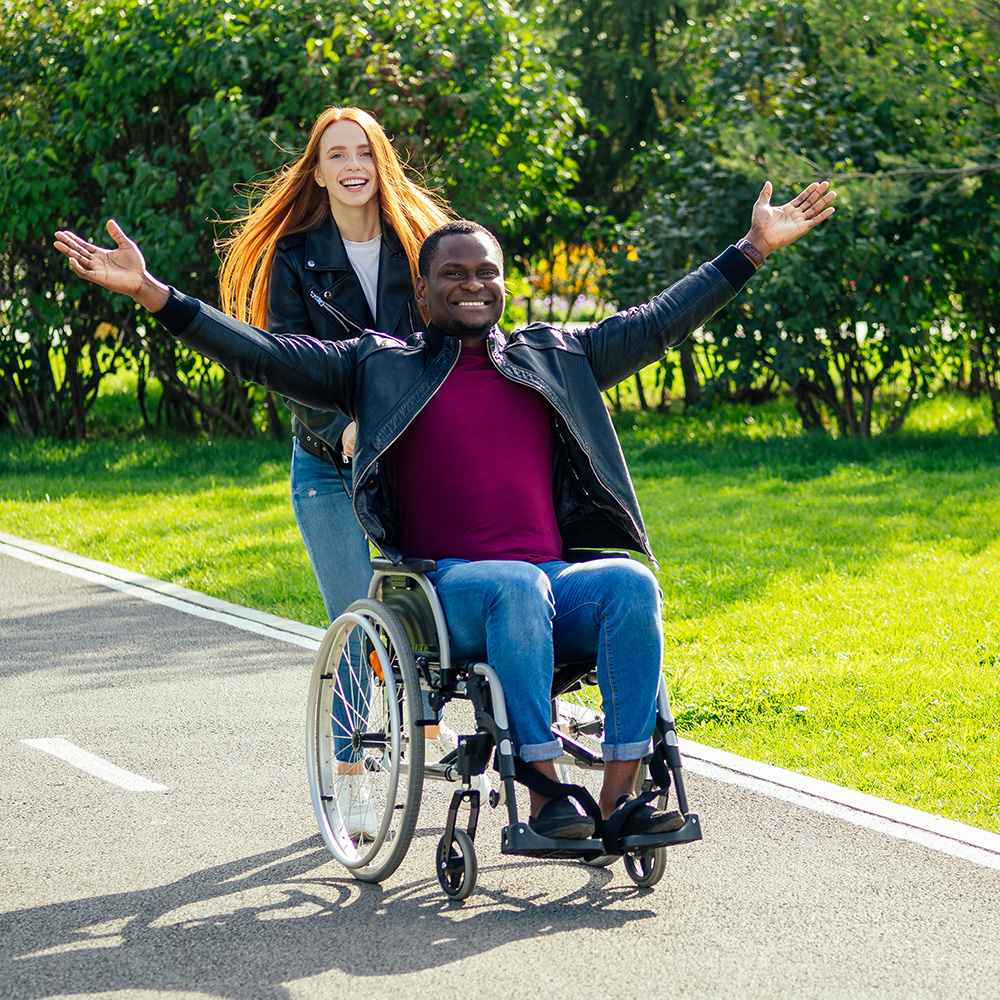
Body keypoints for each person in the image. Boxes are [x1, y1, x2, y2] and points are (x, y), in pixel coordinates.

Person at [55, 177, 835, 843]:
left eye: (487, 273)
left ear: (503, 283)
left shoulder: (556, 354)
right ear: (421, 293)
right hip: (446, 596)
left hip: (551, 587)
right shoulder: (375, 366)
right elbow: (261, 353)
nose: (473, 285)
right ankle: (538, 782)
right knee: (513, 585)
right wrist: (154, 294)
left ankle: (619, 796)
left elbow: (660, 320)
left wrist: (754, 249)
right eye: (454, 274)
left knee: (630, 584)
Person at [215, 107, 477, 837]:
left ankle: (423, 731)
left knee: (428, 610)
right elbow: (286, 369)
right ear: (318, 169)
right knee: (357, 626)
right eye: (337, 155)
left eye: (364, 151)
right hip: (328, 466)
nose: (352, 165)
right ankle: (353, 773)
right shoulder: (296, 257)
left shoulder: (420, 244)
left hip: (413, 462)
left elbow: (452, 338)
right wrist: (346, 425)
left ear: (380, 160)